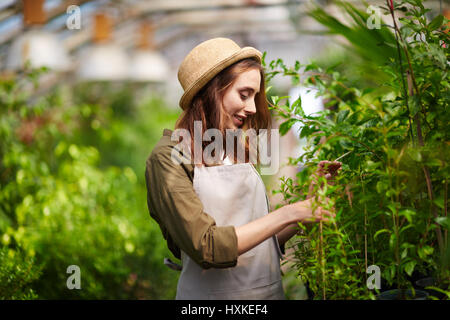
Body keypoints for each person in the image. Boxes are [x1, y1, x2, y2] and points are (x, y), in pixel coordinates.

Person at [145, 38, 339, 300]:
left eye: (254, 97)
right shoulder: (168, 157)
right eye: (244, 94)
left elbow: (261, 242)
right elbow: (207, 246)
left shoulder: (236, 148)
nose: (251, 108)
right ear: (212, 90)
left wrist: (308, 208)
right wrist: (288, 212)